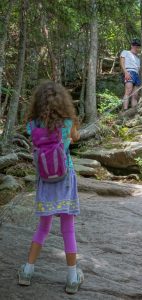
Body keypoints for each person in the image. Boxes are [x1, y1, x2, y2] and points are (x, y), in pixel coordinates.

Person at [18, 80, 84, 294]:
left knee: (43, 227)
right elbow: (76, 137)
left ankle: (27, 271)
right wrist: (69, 133)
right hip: (65, 177)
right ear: (62, 101)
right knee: (68, 229)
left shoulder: (33, 124)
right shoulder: (67, 122)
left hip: (45, 179)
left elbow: (36, 143)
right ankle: (72, 277)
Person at [120, 38, 141, 110]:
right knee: (128, 91)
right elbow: (122, 63)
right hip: (129, 71)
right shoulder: (125, 52)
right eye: (135, 45)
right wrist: (126, 72)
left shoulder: (138, 58)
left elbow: (138, 68)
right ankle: (125, 110)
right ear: (132, 45)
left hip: (136, 74)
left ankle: (133, 112)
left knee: (135, 95)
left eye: (138, 46)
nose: (137, 47)